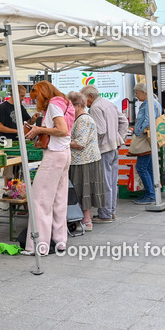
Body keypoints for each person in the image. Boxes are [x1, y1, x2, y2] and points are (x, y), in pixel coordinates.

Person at [22, 81, 74, 255]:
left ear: (43, 93)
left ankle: (38, 245)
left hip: (54, 154)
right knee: (59, 199)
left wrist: (38, 129)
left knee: (39, 200)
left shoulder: (53, 105)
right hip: (65, 153)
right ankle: (60, 241)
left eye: (36, 97)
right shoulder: (65, 101)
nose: (37, 101)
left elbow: (62, 129)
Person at [82, 85, 127, 223]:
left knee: (105, 182)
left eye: (84, 98)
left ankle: (105, 214)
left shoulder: (95, 107)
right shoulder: (108, 103)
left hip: (104, 149)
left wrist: (89, 143)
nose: (83, 102)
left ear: (90, 96)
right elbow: (124, 121)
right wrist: (119, 138)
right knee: (112, 181)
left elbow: (100, 130)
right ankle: (110, 211)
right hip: (113, 147)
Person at [67, 91, 104, 231]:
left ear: (77, 105)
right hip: (80, 160)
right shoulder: (79, 118)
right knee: (80, 191)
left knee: (83, 191)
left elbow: (80, 143)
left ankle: (86, 221)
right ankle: (82, 219)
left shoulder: (84, 120)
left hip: (85, 161)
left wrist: (63, 141)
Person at [131, 84, 162, 205]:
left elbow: (148, 120)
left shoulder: (149, 103)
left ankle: (151, 195)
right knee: (148, 167)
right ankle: (153, 192)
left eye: (137, 93)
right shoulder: (155, 102)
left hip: (145, 139)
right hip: (150, 139)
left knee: (141, 167)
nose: (136, 96)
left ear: (144, 92)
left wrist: (139, 131)